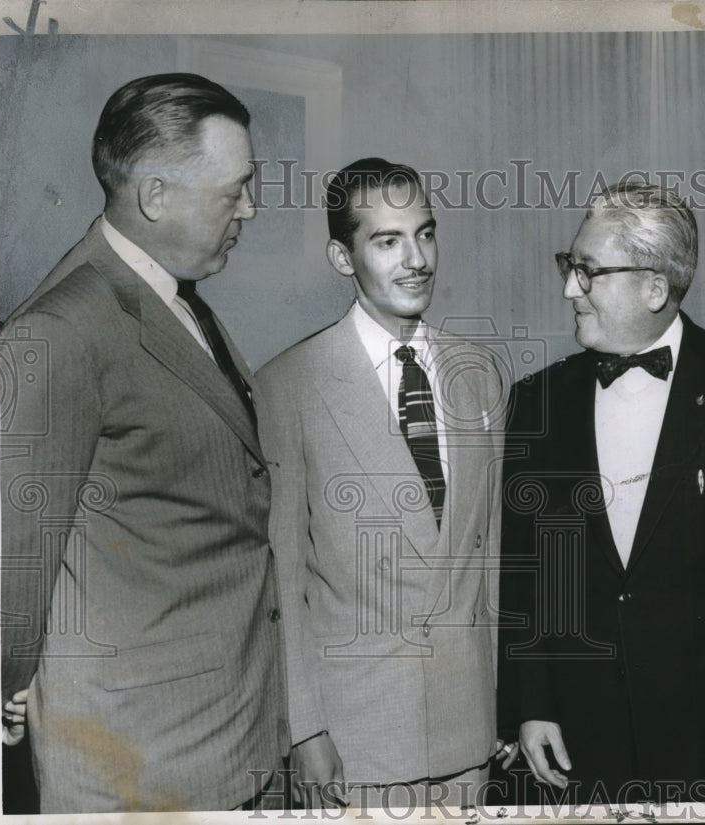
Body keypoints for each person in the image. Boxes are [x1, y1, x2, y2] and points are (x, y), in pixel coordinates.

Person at [0, 73, 290, 812]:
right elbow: (9, 567)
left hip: (226, 732)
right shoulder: (59, 330)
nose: (250, 210)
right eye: (236, 190)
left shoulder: (171, 295)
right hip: (140, 763)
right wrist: (6, 684)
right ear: (155, 196)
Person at [498, 182, 705, 807]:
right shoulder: (538, 400)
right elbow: (524, 569)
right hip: (578, 739)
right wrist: (532, 703)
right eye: (570, 267)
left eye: (588, 271)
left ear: (654, 286)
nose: (570, 288)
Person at [255, 158, 507, 812]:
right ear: (343, 257)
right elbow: (284, 575)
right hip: (354, 733)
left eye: (425, 234)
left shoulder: (478, 372)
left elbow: (493, 555)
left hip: (470, 723)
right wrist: (304, 725)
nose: (416, 258)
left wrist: (505, 697)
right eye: (387, 241)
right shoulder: (288, 384)